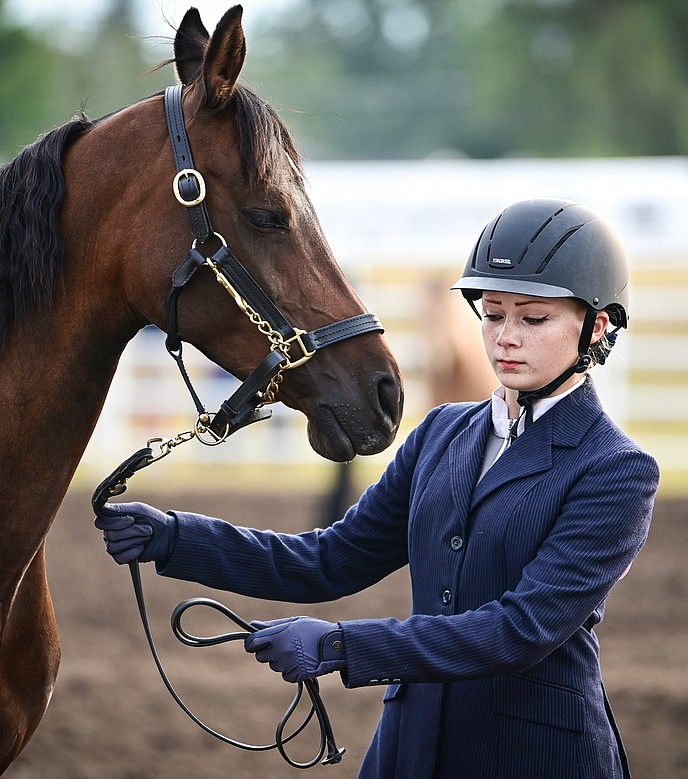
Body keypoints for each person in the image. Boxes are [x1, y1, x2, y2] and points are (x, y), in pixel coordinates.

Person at [96, 199, 659, 778]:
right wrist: (174, 539)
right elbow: (330, 560)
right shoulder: (441, 433)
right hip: (409, 749)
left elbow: (520, 630)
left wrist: (341, 646)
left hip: (533, 757)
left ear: (597, 325)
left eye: (533, 319)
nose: (505, 339)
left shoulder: (615, 469)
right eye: (493, 315)